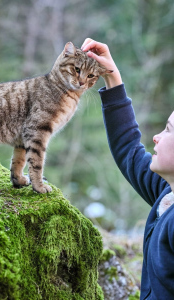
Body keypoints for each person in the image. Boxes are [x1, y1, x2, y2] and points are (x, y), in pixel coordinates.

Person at [81, 38, 174, 300]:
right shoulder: (167, 193)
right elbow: (129, 149)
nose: (156, 136)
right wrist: (113, 79)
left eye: (168, 130)